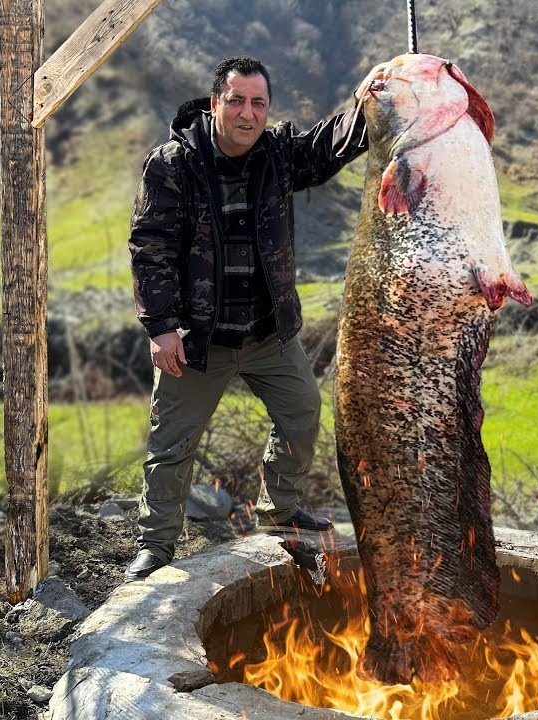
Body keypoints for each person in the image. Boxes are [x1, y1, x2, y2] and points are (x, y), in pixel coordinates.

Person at [123, 56, 368, 581]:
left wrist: (376, 99)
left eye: (258, 103)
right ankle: (156, 546)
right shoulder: (172, 164)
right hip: (198, 339)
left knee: (302, 412)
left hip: (267, 331)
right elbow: (151, 247)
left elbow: (329, 146)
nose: (248, 113)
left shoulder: (277, 155)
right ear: (215, 104)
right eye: (236, 100)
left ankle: (277, 512)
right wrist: (161, 328)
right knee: (172, 444)